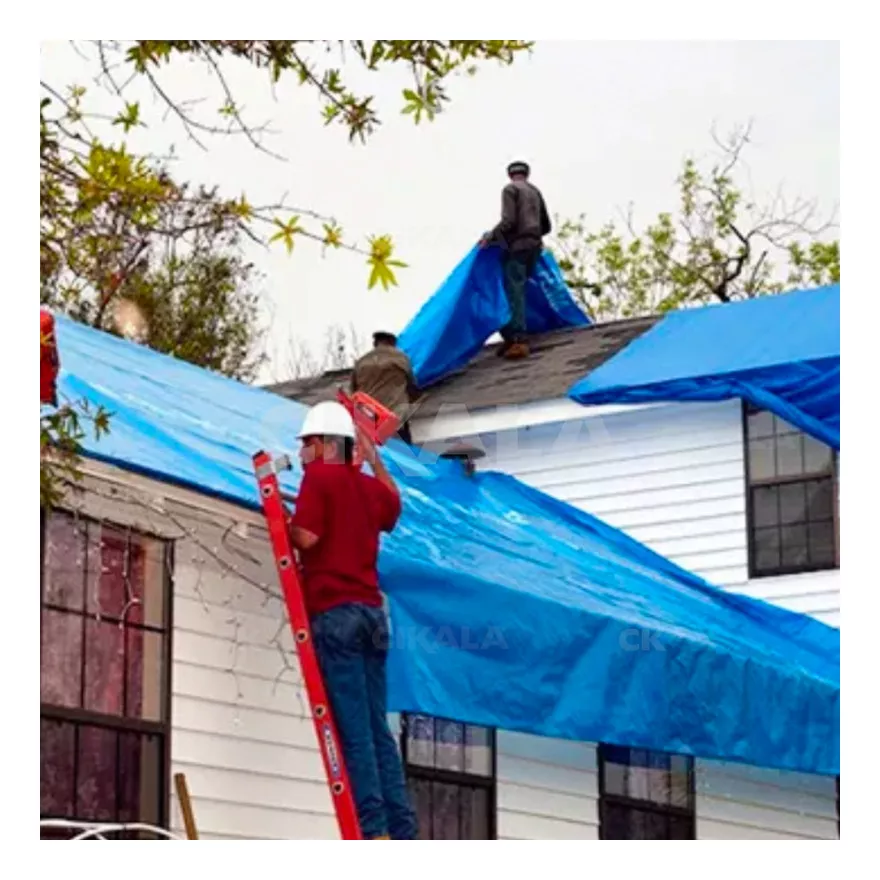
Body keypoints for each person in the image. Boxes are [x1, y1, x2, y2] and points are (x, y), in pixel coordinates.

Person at [287, 400, 418, 840]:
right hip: (372, 617)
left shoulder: (318, 478)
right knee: (378, 730)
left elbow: (307, 536)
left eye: (307, 443)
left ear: (326, 445)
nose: (303, 453)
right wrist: (375, 457)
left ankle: (373, 831)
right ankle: (400, 830)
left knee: (354, 730)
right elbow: (394, 505)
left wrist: (285, 525)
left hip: (336, 614)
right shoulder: (367, 488)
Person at [479, 160, 552, 360]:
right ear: (526, 174)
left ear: (510, 175)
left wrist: (491, 237)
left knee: (513, 291)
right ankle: (514, 337)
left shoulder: (510, 190)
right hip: (534, 246)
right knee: (520, 289)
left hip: (518, 246)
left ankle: (517, 338)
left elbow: (509, 221)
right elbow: (546, 225)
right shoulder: (534, 191)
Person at [350, 331, 420, 444]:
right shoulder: (401, 358)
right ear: (392, 342)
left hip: (369, 421)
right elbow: (412, 388)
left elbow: (353, 394)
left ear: (375, 343)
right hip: (396, 420)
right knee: (405, 458)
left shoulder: (361, 362)